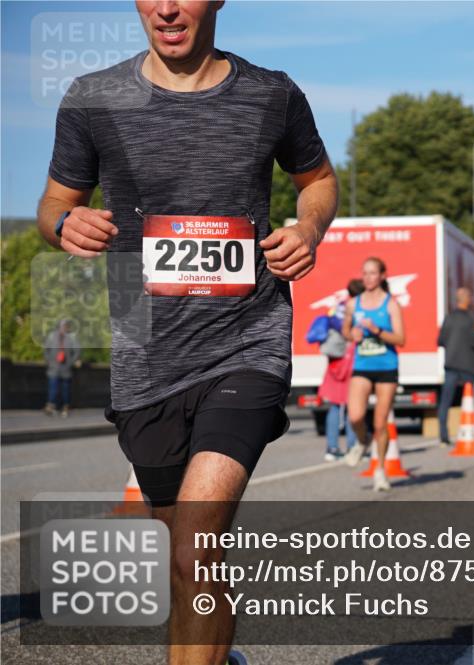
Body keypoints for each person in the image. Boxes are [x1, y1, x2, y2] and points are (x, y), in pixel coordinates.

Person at [37, 3, 338, 663]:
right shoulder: (94, 99)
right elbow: (55, 202)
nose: (168, 6)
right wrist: (65, 225)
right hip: (147, 360)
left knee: (194, 543)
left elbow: (317, 180)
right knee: (182, 565)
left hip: (248, 341)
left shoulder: (271, 94)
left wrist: (309, 228)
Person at [342, 258, 406, 491]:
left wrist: (377, 331)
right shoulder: (353, 303)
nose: (368, 278)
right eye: (365, 273)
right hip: (363, 366)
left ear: (382, 276)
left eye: (372, 273)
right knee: (355, 415)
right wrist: (353, 335)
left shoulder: (390, 304)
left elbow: (401, 339)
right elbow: (346, 330)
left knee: (380, 423)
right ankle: (361, 441)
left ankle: (379, 469)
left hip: (386, 367)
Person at [319, 279, 364, 461]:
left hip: (335, 359)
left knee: (336, 405)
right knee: (353, 403)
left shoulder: (338, 306)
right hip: (350, 358)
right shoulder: (356, 307)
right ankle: (353, 446)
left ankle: (332, 447)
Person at [436, 287, 474, 447]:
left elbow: (440, 340)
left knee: (445, 401)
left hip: (451, 363)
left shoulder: (448, 318)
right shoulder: (471, 318)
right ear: (467, 299)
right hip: (469, 365)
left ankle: (443, 435)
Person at [43, 318, 81, 417]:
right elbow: (46, 350)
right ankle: (51, 406)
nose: (65, 327)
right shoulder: (52, 336)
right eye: (63, 325)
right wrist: (49, 361)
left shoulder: (72, 337)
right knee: (53, 388)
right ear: (59, 326)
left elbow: (77, 351)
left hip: (66, 368)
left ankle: (66, 407)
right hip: (53, 368)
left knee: (66, 390)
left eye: (67, 325)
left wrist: (71, 362)